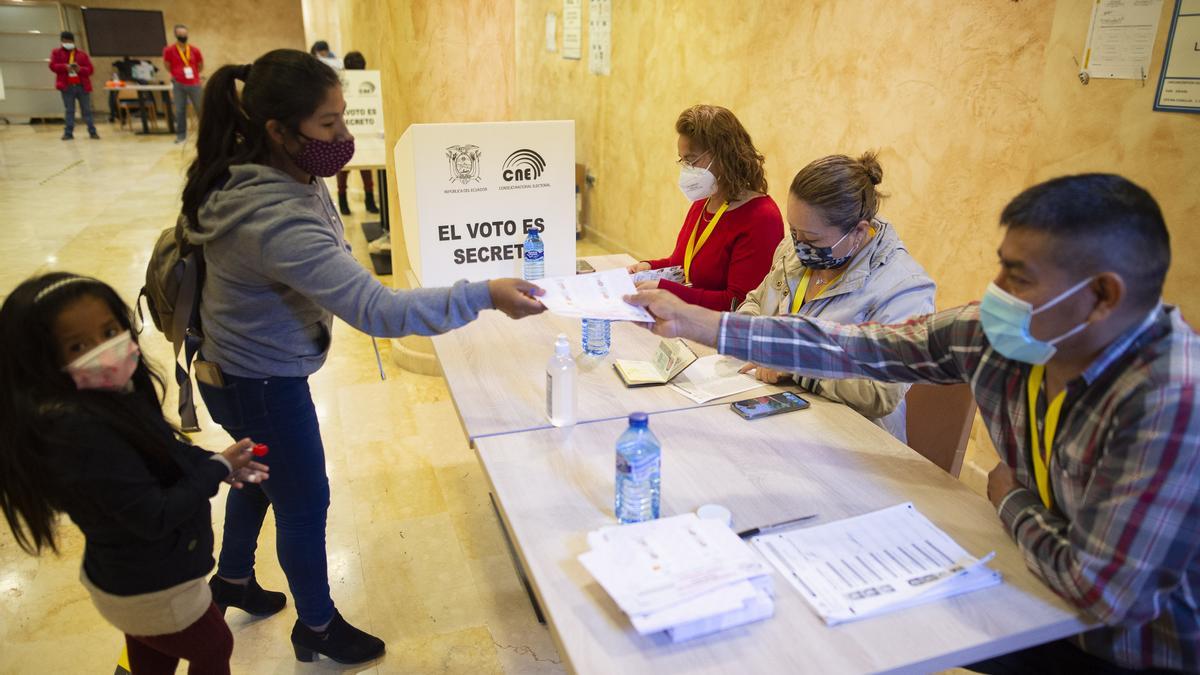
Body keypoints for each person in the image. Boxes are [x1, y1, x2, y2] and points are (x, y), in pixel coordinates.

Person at [628, 174, 1199, 673]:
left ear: (1101, 296)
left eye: (1019, 277)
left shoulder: (1171, 401)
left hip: (1120, 648)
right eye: (1001, 265)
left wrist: (1007, 498)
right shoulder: (1002, 337)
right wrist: (701, 323)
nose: (996, 291)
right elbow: (853, 347)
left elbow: (1103, 590)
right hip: (1031, 577)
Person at [179, 49, 546, 666]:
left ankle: (234, 577)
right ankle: (317, 628)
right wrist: (485, 293)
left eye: (343, 117)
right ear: (278, 130)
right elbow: (377, 311)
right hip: (260, 381)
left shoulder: (269, 169)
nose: (344, 136)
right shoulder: (271, 216)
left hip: (238, 370)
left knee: (261, 473)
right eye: (328, 124)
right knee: (304, 501)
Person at [0, 273, 271, 675]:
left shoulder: (107, 399)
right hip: (156, 589)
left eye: (110, 331)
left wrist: (212, 463)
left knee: (152, 656)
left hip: (128, 582)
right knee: (214, 647)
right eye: (78, 346)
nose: (105, 350)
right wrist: (216, 469)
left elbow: (163, 449)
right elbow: (155, 514)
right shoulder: (81, 435)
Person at [736, 153, 934, 441]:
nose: (799, 245)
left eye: (813, 239)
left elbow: (882, 391)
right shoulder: (795, 250)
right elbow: (754, 303)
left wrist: (796, 362)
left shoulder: (904, 288)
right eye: (794, 231)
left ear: (858, 231)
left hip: (852, 446)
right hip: (776, 418)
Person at [628, 104, 783, 311]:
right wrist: (648, 266)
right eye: (682, 161)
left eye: (691, 161)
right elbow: (683, 266)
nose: (686, 170)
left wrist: (667, 291)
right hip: (687, 322)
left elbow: (739, 303)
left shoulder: (761, 217)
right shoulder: (704, 202)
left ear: (724, 155)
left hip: (721, 334)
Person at [335, 50, 379, 217]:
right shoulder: (343, 82)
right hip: (355, 130)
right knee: (349, 168)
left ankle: (346, 202)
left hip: (353, 130)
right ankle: (361, 202)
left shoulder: (342, 82)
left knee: (353, 168)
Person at [49, 31, 98, 140]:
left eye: (69, 41)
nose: (66, 43)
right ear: (61, 41)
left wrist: (80, 69)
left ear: (73, 41)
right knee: (69, 110)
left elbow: (90, 70)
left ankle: (92, 132)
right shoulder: (56, 53)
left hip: (82, 86)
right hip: (67, 86)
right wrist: (65, 67)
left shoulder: (82, 54)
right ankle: (68, 133)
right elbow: (52, 66)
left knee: (87, 110)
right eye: (64, 41)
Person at [163, 24, 203, 144]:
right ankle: (181, 136)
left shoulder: (195, 50)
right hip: (178, 84)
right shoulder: (169, 50)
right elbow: (167, 65)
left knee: (200, 109)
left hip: (194, 84)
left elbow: (200, 66)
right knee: (180, 110)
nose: (183, 36)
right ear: (176, 35)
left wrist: (194, 75)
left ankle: (206, 134)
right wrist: (177, 74)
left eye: (185, 34)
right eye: (180, 34)